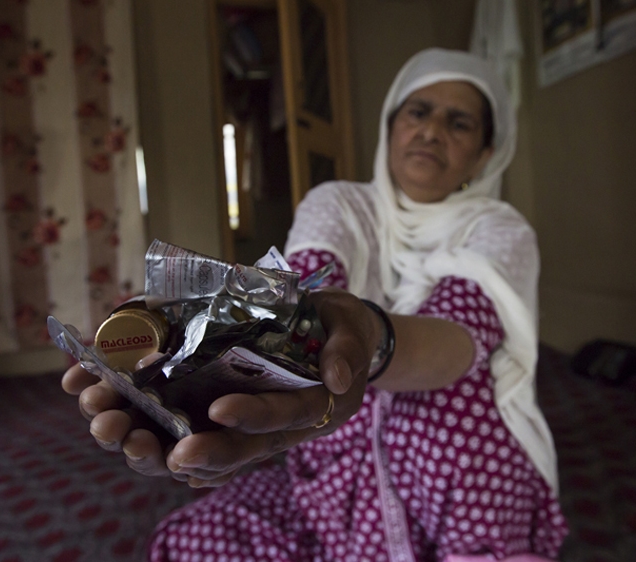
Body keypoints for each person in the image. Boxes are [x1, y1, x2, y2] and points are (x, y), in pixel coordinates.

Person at [62, 48, 568, 561]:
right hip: (329, 446)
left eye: (458, 122)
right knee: (196, 542)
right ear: (391, 127)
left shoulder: (499, 229)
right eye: (418, 112)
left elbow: (459, 339)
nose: (432, 130)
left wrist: (368, 338)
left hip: (457, 466)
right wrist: (198, 351)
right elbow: (305, 298)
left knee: (448, 401)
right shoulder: (340, 204)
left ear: (484, 154)